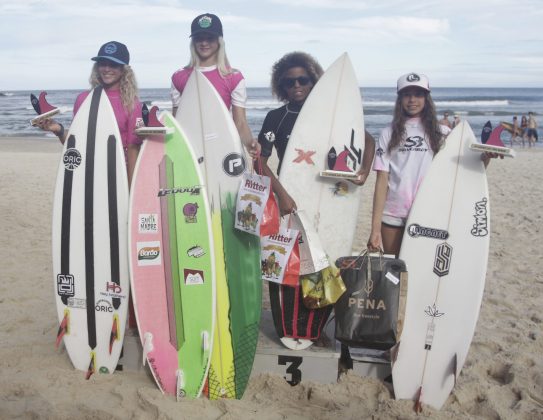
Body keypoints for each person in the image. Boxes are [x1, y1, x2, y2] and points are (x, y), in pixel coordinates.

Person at [367, 73, 500, 257]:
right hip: (394, 214)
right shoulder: (388, 133)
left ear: (426, 98)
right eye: (407, 94)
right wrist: (374, 230)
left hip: (429, 210)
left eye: (418, 94)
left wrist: (487, 157)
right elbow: (381, 181)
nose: (412, 100)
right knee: (394, 271)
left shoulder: (443, 133)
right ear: (400, 99)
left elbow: (464, 172)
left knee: (421, 271)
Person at [258, 51, 376, 215]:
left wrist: (364, 170)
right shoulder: (276, 117)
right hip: (291, 192)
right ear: (282, 86)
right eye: (289, 82)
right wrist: (282, 194)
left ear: (313, 82)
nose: (297, 85)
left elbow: (368, 141)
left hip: (326, 193)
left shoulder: (330, 114)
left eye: (303, 80)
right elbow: (260, 163)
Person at [34, 41, 143, 185]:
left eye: (113, 64)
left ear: (124, 69)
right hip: (87, 174)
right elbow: (76, 145)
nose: (106, 69)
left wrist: (131, 191)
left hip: (117, 176)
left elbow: (133, 149)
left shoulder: (132, 104)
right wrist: (59, 130)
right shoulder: (84, 99)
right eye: (102, 63)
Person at [171, 13, 259, 158]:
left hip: (224, 148)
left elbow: (240, 123)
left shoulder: (233, 77)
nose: (204, 43)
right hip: (191, 150)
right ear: (193, 42)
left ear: (219, 41)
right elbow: (178, 121)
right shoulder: (179, 77)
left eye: (210, 38)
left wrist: (250, 143)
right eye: (199, 38)